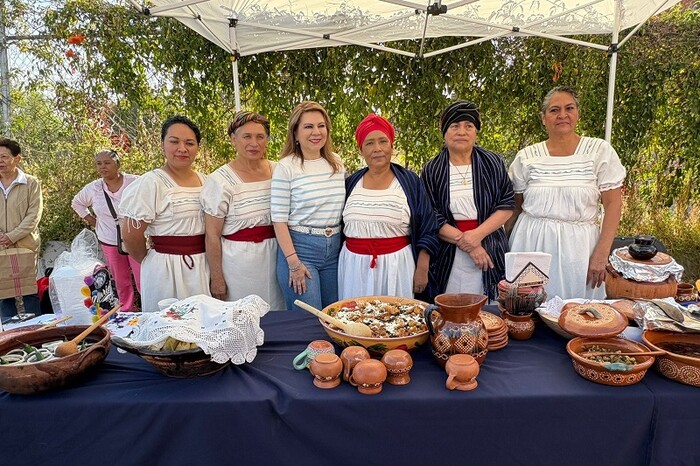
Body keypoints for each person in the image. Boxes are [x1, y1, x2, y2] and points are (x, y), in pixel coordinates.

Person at [506, 86, 625, 300]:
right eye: (554, 110)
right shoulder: (527, 156)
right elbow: (515, 207)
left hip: (580, 249)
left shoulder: (599, 151)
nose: (562, 115)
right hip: (531, 243)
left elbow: (613, 206)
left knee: (578, 315)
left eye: (569, 108)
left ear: (577, 113)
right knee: (526, 312)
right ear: (543, 118)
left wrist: (601, 253)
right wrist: (502, 247)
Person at [339, 114, 440, 300]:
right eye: (369, 143)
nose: (377, 149)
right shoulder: (350, 184)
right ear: (361, 150)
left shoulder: (410, 182)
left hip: (397, 267)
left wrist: (422, 268)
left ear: (391, 146)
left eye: (382, 141)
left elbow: (428, 227)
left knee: (396, 321)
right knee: (356, 322)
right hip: (354, 269)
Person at [421, 101, 515, 301]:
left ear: (476, 132)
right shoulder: (432, 169)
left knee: (489, 310)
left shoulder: (493, 163)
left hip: (489, 244)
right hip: (449, 250)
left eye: (468, 126)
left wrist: (477, 236)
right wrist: (469, 244)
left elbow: (506, 204)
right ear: (445, 133)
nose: (461, 132)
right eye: (455, 126)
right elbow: (430, 215)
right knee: (453, 308)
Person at [119, 116, 210, 312]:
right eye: (174, 141)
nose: (182, 148)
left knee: (203, 324)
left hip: (203, 265)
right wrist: (151, 260)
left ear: (197, 147)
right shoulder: (151, 183)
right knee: (168, 331)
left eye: (189, 143)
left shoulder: (207, 181)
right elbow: (130, 235)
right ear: (163, 144)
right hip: (165, 269)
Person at [201, 111, 284, 309]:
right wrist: (217, 278)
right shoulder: (220, 180)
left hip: (277, 258)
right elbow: (212, 235)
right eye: (247, 136)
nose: (254, 143)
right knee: (244, 315)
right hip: (239, 264)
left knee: (279, 314)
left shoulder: (280, 171)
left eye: (260, 136)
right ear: (233, 139)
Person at [271, 101, 345, 311]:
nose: (316, 132)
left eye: (321, 126)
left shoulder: (336, 163)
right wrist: (293, 263)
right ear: (295, 133)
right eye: (308, 126)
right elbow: (278, 219)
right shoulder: (286, 167)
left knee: (335, 317)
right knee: (309, 321)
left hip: (334, 251)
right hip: (301, 250)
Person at [71, 150, 141, 311]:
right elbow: (77, 203)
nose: (103, 167)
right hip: (109, 240)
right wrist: (93, 221)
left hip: (135, 238)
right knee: (120, 278)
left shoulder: (135, 182)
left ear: (118, 164)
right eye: (99, 163)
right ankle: (128, 310)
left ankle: (149, 309)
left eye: (107, 163)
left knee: (143, 276)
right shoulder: (94, 188)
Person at [0, 138, 43, 318]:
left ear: (17, 159)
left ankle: (36, 335)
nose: (0, 161)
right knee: (4, 294)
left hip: (26, 244)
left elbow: (34, 215)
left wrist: (13, 235)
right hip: (1, 245)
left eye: (4, 157)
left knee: (29, 291)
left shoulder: (31, 183)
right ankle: (10, 339)